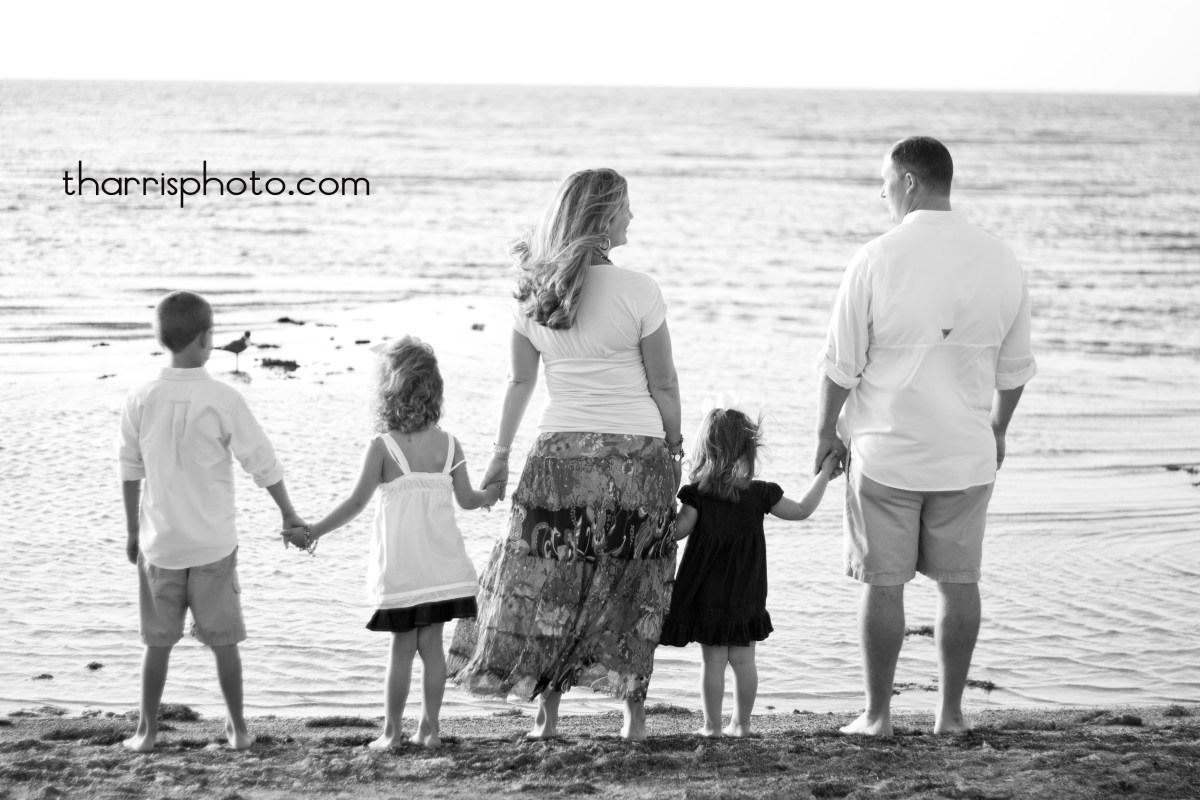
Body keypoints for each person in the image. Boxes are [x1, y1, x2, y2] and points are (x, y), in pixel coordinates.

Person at [447, 167, 682, 741]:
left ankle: (546, 717)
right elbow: (664, 383)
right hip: (636, 455)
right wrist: (675, 445)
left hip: (559, 456)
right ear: (603, 217)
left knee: (552, 580)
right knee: (632, 580)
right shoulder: (639, 289)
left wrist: (501, 454)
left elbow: (519, 382)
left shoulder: (533, 292)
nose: (633, 216)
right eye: (626, 207)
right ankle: (632, 719)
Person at [814, 136, 1037, 737]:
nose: (881, 192)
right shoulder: (1000, 259)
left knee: (884, 586)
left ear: (909, 181)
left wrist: (824, 434)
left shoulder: (875, 257)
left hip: (886, 454)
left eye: (885, 181)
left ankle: (878, 716)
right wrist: (997, 430)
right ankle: (951, 716)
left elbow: (840, 366)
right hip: (965, 455)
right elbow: (1014, 369)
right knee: (959, 584)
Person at [282, 337, 501, 749]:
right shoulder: (449, 444)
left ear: (387, 392)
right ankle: (430, 730)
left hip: (402, 571)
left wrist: (312, 532)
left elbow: (355, 504)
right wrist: (491, 495)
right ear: (434, 388)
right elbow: (469, 500)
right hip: (442, 567)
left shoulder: (382, 447)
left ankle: (392, 733)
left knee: (402, 648)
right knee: (432, 648)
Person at [118, 290, 304, 752]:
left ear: (161, 339)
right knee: (224, 643)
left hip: (160, 547)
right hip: (213, 547)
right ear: (206, 339)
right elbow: (262, 461)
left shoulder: (140, 399)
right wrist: (288, 512)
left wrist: (133, 531)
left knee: (157, 644)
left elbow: (130, 469)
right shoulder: (223, 398)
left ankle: (146, 732)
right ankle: (237, 729)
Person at [660, 406, 837, 738]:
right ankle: (741, 725)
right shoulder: (760, 494)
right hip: (747, 590)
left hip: (708, 591)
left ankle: (712, 727)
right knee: (744, 661)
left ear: (707, 450)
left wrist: (664, 489)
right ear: (748, 450)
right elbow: (802, 509)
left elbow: (675, 532)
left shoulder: (699, 495)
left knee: (713, 662)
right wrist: (825, 472)